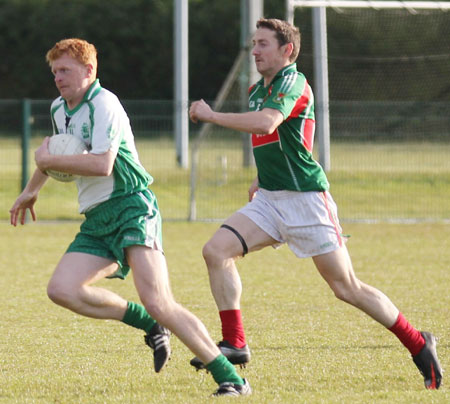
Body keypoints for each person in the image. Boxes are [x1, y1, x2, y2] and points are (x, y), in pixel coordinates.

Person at [189, 18, 442, 390]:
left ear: (286, 50)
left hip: (308, 202)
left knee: (346, 288)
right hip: (271, 200)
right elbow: (290, 136)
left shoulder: (292, 80)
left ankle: (419, 343)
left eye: (262, 44)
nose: (255, 51)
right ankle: (235, 343)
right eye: (254, 43)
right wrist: (261, 176)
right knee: (216, 251)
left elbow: (267, 124)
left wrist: (211, 115)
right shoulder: (258, 88)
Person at [9, 38, 250, 397]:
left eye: (66, 70)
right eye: (55, 71)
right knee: (61, 290)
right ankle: (149, 325)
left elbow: (101, 164)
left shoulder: (105, 104)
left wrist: (45, 162)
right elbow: (59, 151)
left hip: (132, 206)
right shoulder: (59, 108)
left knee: (160, 300)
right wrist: (33, 188)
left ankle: (230, 377)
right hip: (97, 217)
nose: (58, 78)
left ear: (89, 70)